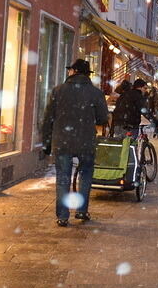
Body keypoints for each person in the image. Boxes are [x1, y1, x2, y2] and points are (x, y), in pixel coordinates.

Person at [41, 59, 110, 227]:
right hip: (86, 141)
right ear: (87, 74)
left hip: (62, 141)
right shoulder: (96, 93)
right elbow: (102, 119)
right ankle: (81, 210)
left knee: (63, 178)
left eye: (70, 70)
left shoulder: (58, 91)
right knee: (85, 175)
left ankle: (63, 216)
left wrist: (46, 142)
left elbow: (48, 118)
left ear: (74, 71)